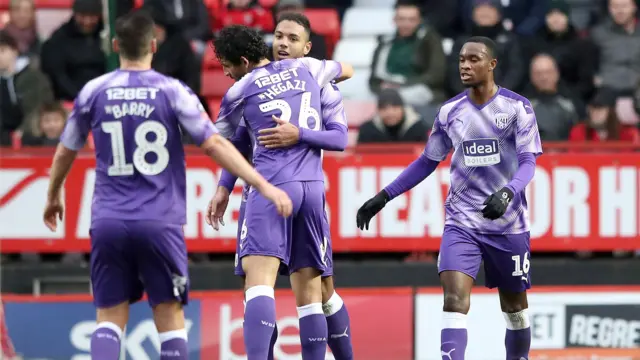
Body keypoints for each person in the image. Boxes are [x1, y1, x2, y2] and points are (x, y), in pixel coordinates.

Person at [41, 11, 292, 360]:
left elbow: (66, 149)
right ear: (154, 46)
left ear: (115, 46)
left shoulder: (93, 91)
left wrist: (53, 195)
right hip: (160, 221)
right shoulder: (171, 91)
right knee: (170, 317)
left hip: (108, 220)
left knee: (109, 318)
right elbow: (215, 144)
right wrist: (262, 184)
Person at [356, 36, 542, 360]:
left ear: (492, 64)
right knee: (454, 300)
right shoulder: (450, 112)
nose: (465, 66)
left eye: (474, 59)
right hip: (462, 222)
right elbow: (428, 161)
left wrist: (508, 191)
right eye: (461, 60)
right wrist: (384, 196)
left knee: (514, 309)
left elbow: (528, 162)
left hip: (508, 224)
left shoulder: (517, 108)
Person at [207, 14, 354, 360]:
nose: (283, 43)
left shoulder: (241, 90)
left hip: (272, 186)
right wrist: (224, 186)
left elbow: (222, 141)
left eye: (292, 38)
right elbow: (347, 69)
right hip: (313, 189)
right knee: (313, 292)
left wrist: (297, 133)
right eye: (278, 35)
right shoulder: (314, 71)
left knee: (258, 285)